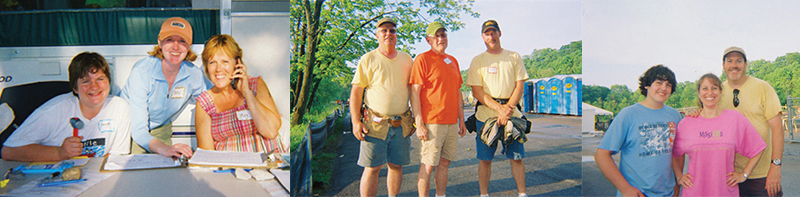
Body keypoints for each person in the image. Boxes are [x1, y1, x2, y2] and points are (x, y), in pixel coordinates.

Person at [1, 52, 131, 161]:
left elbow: (118, 156)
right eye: (86, 81)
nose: (95, 87)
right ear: (75, 88)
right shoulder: (53, 111)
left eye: (100, 79)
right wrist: (59, 153)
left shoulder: (120, 107)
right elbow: (8, 151)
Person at [120, 17, 208, 158]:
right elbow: (138, 130)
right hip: (129, 130)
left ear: (189, 46)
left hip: (160, 129)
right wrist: (165, 149)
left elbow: (212, 100)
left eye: (182, 41)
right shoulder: (142, 71)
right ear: (160, 43)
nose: (175, 47)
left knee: (167, 167)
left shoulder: (193, 74)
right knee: (138, 169)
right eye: (169, 40)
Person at [349, 17, 415, 197]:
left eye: (392, 30)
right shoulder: (368, 59)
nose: (388, 34)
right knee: (372, 167)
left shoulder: (407, 59)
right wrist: (355, 122)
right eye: (383, 31)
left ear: (396, 35)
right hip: (374, 124)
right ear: (376, 35)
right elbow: (356, 92)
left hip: (401, 123)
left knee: (396, 166)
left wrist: (416, 119)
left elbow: (414, 91)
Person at [594, 64, 682, 197]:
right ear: (647, 85)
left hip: (667, 193)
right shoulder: (628, 115)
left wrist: (677, 182)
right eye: (658, 83)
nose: (664, 88)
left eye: (668, 85)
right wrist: (625, 189)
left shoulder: (674, 115)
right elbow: (601, 155)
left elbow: (677, 152)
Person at [672, 73, 766, 196]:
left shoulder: (735, 119)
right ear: (699, 93)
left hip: (725, 191)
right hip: (694, 191)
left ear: (721, 92)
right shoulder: (686, 123)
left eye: (714, 88)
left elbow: (758, 148)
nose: (710, 92)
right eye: (705, 88)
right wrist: (679, 176)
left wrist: (744, 174)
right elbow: (673, 153)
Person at [465, 19, 529, 197]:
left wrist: (507, 109)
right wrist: (500, 109)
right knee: (485, 159)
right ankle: (484, 194)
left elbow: (519, 87)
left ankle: (522, 194)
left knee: (517, 158)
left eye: (493, 32)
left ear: (500, 33)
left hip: (512, 116)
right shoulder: (478, 61)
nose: (491, 36)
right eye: (487, 33)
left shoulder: (514, 57)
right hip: (485, 118)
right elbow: (477, 91)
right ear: (482, 37)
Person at [194, 34, 283, 152]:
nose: (218, 69)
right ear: (206, 67)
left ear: (237, 64)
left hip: (267, 160)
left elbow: (271, 132)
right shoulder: (204, 103)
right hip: (227, 163)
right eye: (212, 63)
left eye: (225, 61)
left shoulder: (256, 86)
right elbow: (206, 153)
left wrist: (247, 93)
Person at [410, 21, 468, 197]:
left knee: (444, 163)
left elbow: (457, 92)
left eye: (443, 35)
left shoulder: (453, 61)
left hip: (451, 122)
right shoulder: (422, 59)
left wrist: (462, 120)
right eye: (436, 36)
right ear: (428, 40)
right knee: (428, 165)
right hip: (432, 123)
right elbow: (415, 93)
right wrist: (419, 123)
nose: (441, 39)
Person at [718, 47, 784, 196]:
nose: (734, 65)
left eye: (739, 61)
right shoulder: (717, 91)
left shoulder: (763, 87)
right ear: (723, 65)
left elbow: (777, 129)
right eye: (729, 61)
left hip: (762, 174)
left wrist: (776, 166)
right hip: (729, 175)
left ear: (746, 64)